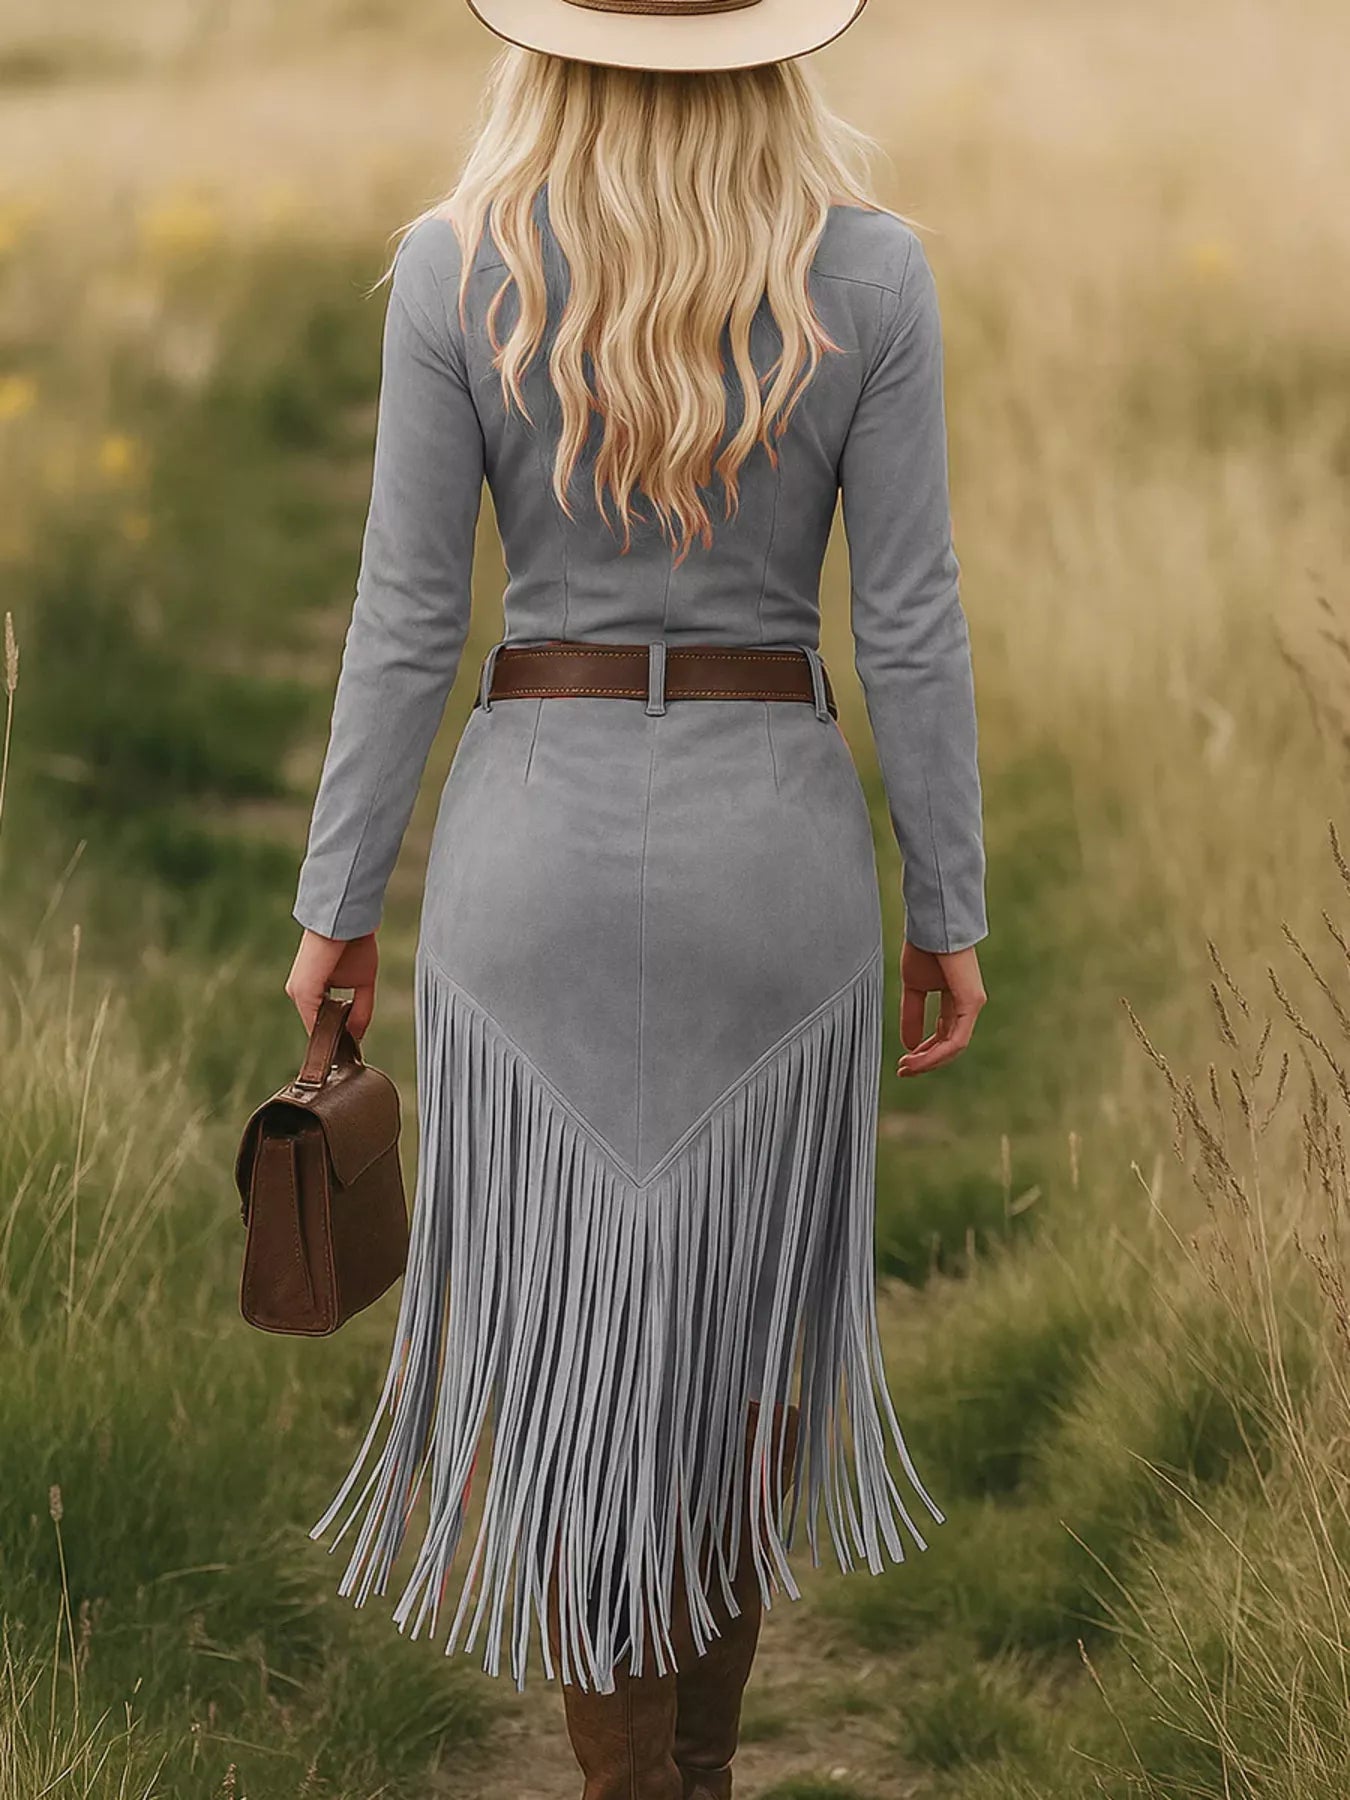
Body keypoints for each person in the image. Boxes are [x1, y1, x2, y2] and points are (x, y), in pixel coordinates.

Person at [285, 0, 989, 1791]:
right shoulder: (875, 279)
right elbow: (906, 619)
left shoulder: (457, 270)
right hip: (783, 877)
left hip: (534, 870)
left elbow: (407, 619)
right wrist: (947, 904)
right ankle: (701, 1772)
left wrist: (338, 892)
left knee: (587, 1389)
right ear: (769, 53)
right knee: (737, 1370)